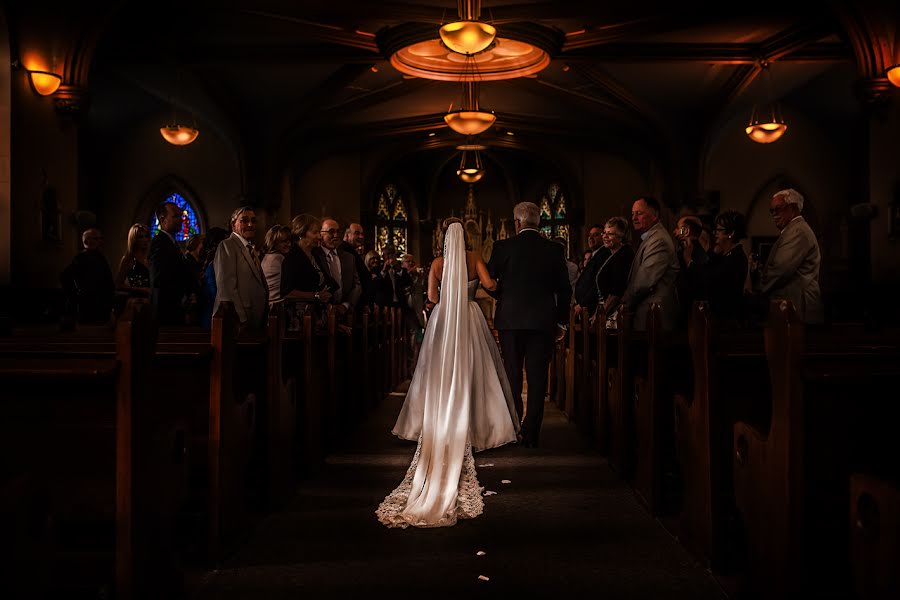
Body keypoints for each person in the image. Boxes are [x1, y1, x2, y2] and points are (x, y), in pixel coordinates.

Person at [377, 219, 519, 529]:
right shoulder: (474, 258)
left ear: (443, 239)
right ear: (467, 238)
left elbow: (432, 297)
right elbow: (491, 286)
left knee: (438, 369)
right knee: (476, 368)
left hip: (444, 319)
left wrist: (442, 298)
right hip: (469, 315)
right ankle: (482, 425)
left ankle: (432, 420)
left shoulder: (438, 263)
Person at [488, 202, 572, 448]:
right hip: (542, 322)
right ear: (539, 223)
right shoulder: (554, 249)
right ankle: (531, 433)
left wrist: (503, 297)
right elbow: (565, 290)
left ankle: (513, 427)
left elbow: (489, 282)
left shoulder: (503, 246)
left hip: (510, 322)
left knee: (512, 374)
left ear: (517, 223)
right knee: (537, 379)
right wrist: (562, 322)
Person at [751, 188, 823, 324]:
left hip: (799, 309)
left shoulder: (798, 231)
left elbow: (780, 270)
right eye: (771, 210)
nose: (774, 214)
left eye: (778, 209)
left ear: (793, 208)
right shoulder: (792, 230)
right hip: (794, 308)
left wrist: (757, 287)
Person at [621, 196, 679, 331]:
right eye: (633, 214)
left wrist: (624, 303)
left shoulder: (658, 240)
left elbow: (644, 282)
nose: (634, 218)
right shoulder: (650, 238)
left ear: (655, 215)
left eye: (639, 213)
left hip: (655, 315)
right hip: (648, 314)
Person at [213, 206, 269, 332]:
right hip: (239, 321)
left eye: (253, 220)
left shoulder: (249, 248)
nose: (250, 224)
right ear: (233, 224)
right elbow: (226, 288)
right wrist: (241, 319)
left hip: (255, 319)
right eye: (244, 220)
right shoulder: (227, 245)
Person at [60, 227, 115, 325]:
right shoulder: (81, 258)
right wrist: (75, 295)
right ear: (87, 240)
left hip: (101, 304)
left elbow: (107, 279)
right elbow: (65, 277)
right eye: (96, 238)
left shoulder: (100, 257)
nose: (100, 241)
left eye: (100, 238)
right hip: (87, 304)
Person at [707, 209, 748, 321]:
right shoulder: (723, 255)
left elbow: (711, 282)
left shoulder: (736, 258)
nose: (715, 234)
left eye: (719, 230)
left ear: (731, 233)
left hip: (726, 318)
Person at [593, 216, 635, 320]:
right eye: (604, 232)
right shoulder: (612, 253)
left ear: (622, 237)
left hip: (616, 314)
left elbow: (616, 291)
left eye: (610, 234)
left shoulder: (624, 255)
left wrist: (600, 315)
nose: (605, 237)